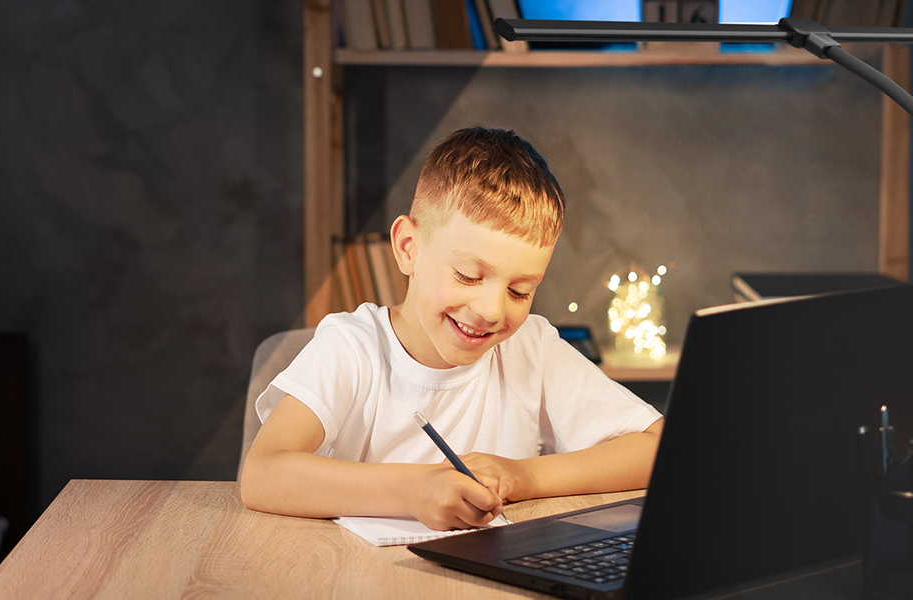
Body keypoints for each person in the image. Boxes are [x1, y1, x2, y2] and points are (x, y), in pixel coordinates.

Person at [241, 126, 664, 530]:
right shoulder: (351, 346)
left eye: (519, 291)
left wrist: (523, 476)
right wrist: (411, 491)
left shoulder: (531, 348)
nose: (491, 311)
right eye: (467, 275)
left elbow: (660, 447)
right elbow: (262, 474)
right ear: (409, 248)